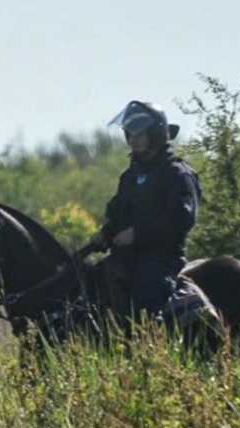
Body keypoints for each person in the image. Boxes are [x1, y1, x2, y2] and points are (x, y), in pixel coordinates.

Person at [91, 101, 202, 319]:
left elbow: (182, 219)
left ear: (156, 134)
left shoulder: (177, 173)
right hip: (125, 257)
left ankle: (154, 346)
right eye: (130, 134)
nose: (133, 140)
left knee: (145, 305)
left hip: (161, 260)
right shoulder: (129, 176)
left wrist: (138, 233)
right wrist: (105, 234)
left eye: (140, 134)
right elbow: (118, 214)